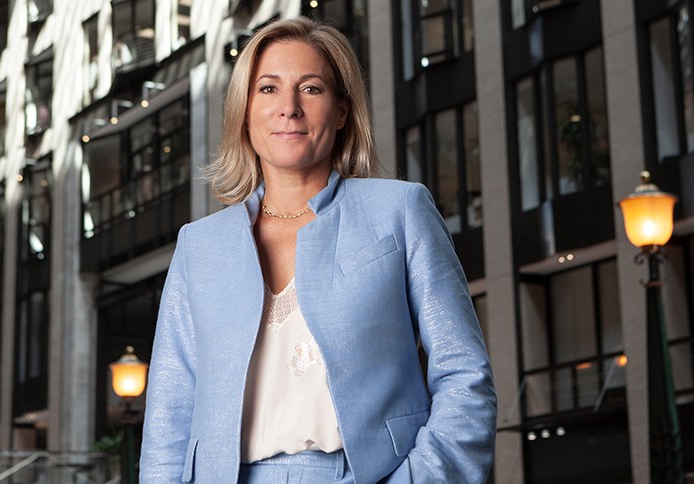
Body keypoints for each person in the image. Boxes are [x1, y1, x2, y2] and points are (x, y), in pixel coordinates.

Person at [139, 16, 496, 483]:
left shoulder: (400, 211)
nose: (288, 107)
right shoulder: (199, 246)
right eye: (267, 89)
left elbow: (465, 377)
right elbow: (169, 415)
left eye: (311, 89)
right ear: (244, 111)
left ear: (342, 111)